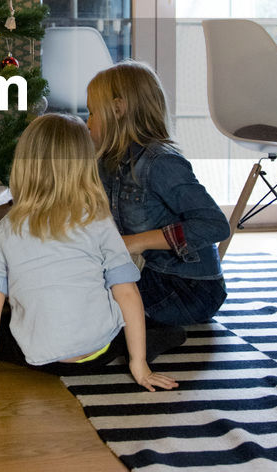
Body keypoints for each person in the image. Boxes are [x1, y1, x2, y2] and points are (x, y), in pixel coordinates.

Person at [0, 113, 182, 391]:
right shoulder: (97, 219)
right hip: (96, 354)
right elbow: (126, 293)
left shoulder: (4, 230)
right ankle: (150, 344)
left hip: (38, 358)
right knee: (157, 325)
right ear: (84, 165)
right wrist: (139, 365)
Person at [86, 60, 231, 328]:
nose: (88, 121)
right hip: (144, 274)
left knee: (86, 306)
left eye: (93, 112)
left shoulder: (160, 162)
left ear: (118, 109)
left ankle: (150, 335)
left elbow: (215, 226)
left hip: (185, 288)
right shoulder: (108, 161)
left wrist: (135, 242)